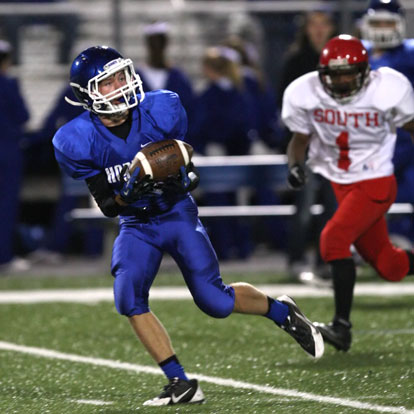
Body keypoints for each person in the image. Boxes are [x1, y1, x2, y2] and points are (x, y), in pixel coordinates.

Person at [52, 45, 324, 406]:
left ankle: (282, 312)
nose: (120, 85)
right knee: (127, 296)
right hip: (137, 223)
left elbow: (187, 173)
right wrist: (130, 190)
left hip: (176, 212)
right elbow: (107, 205)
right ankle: (180, 382)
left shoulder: (159, 108)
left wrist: (169, 172)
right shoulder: (76, 139)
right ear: (87, 93)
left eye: (122, 76)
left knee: (215, 302)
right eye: (108, 82)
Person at [282, 34, 414, 352]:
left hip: (375, 181)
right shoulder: (305, 91)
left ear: (365, 72)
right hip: (341, 183)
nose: (341, 81)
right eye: (335, 74)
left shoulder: (388, 88)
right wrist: (295, 165)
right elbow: (299, 139)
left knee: (333, 239)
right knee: (389, 266)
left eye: (348, 73)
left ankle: (341, 327)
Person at [279, 10, 338, 282]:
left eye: (322, 23)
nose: (317, 30)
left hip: (334, 147)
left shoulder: (340, 60)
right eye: (313, 25)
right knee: (302, 207)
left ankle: (325, 261)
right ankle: (296, 260)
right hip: (304, 145)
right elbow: (285, 105)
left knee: (331, 206)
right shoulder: (295, 61)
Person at [360, 0, 414, 245]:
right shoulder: (357, 52)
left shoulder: (409, 53)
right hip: (368, 141)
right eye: (377, 22)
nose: (382, 28)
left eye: (387, 23)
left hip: (406, 139)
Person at [0, 39, 30, 272]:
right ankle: (5, 256)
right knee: (6, 206)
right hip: (8, 151)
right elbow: (23, 115)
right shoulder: (10, 84)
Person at [135, 21, 194, 119]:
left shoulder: (178, 78)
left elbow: (189, 111)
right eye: (153, 44)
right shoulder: (135, 79)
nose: (156, 48)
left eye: (159, 43)